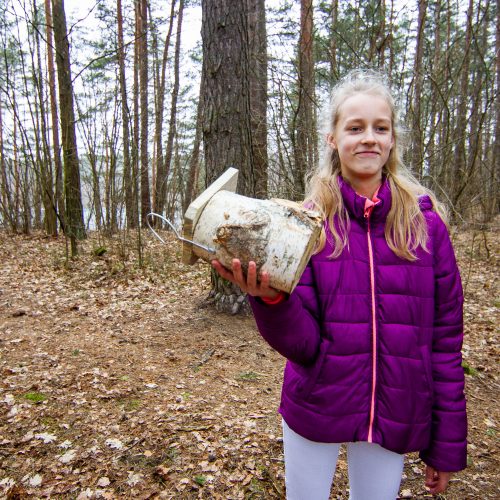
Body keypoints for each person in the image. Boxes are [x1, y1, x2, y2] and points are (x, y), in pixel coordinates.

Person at [212, 69, 467, 500]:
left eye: (379, 128)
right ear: (334, 139)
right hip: (316, 406)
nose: (368, 138)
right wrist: (271, 299)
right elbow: (303, 345)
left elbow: (445, 344)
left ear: (391, 140)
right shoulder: (306, 226)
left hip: (396, 411)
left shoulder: (426, 229)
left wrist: (445, 446)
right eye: (355, 128)